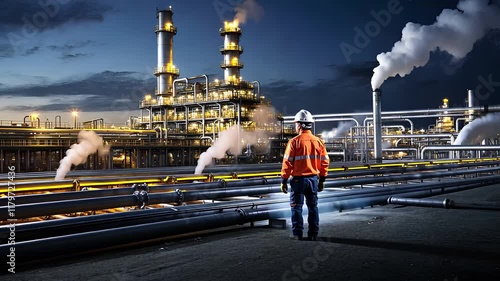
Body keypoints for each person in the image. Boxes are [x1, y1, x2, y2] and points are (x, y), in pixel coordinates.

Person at [281, 109, 329, 241]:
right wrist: (322, 180)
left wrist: (284, 180)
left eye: (296, 123)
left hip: (298, 181)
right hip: (313, 179)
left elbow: (287, 163)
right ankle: (313, 233)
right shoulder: (318, 142)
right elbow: (325, 162)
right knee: (313, 207)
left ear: (301, 125)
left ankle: (297, 233)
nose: (295, 126)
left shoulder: (294, 142)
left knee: (296, 207)